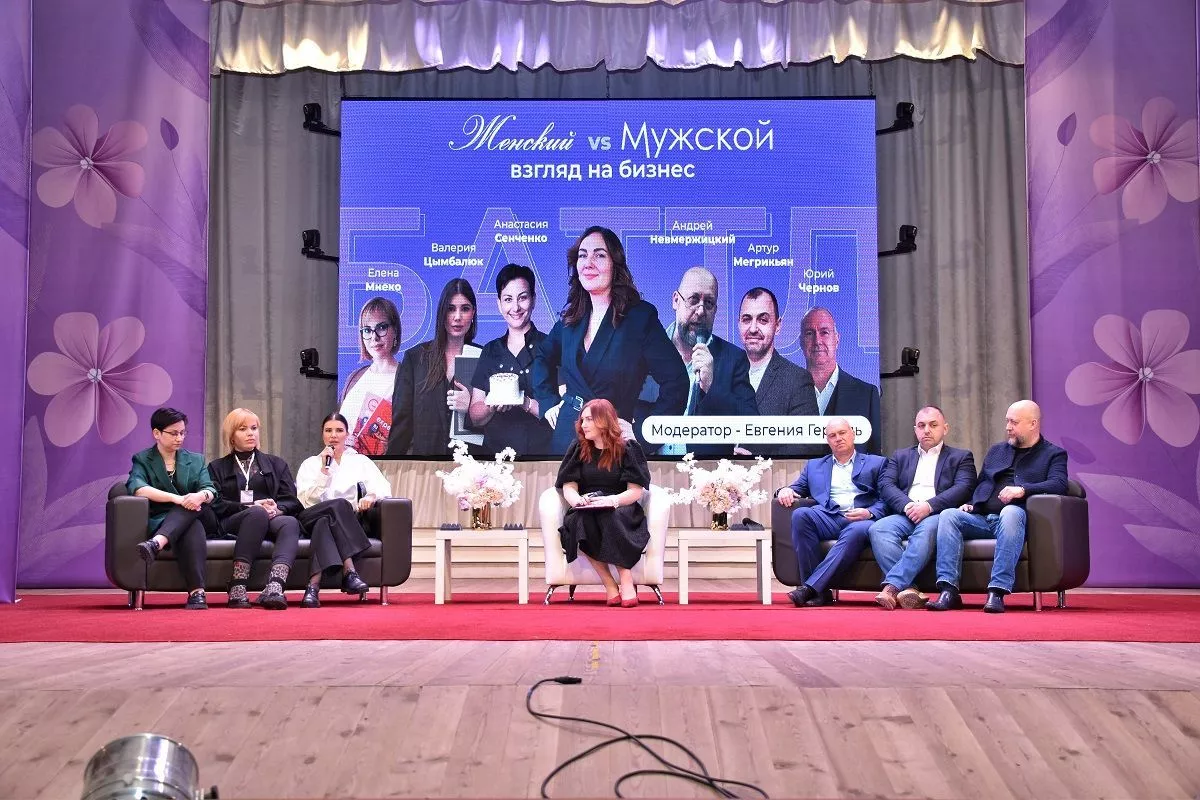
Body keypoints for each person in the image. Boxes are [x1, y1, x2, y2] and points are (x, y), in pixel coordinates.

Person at [532, 226, 687, 454]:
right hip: (566, 438)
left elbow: (677, 382)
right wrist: (548, 403)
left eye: (599, 255)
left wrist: (644, 433)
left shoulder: (640, 318)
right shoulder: (571, 318)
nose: (588, 263)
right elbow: (542, 357)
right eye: (582, 255)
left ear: (615, 264)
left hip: (612, 441)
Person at [930, 400, 1069, 613]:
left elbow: (1059, 484)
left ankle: (997, 591)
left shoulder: (1053, 454)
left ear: (1033, 424)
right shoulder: (997, 451)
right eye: (1007, 421)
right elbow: (981, 484)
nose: (1008, 427)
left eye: (1014, 422)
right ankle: (948, 591)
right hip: (984, 518)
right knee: (949, 515)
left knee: (1010, 511)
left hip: (1017, 520)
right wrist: (971, 505)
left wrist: (1022, 490)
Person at [868, 406, 977, 610]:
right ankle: (910, 590)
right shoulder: (901, 456)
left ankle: (892, 587)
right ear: (915, 430)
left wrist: (929, 506)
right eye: (921, 425)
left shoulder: (961, 457)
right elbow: (886, 485)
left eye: (933, 425)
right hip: (906, 512)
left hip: (938, 514)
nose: (927, 430)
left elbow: (964, 488)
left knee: (925, 530)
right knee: (878, 529)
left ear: (945, 428)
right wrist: (908, 505)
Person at [775, 417, 888, 607]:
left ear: (853, 434)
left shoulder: (877, 463)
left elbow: (887, 499)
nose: (838, 438)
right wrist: (784, 490)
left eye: (842, 433)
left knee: (856, 531)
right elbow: (796, 488)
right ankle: (819, 592)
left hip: (861, 520)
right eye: (832, 435)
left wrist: (869, 513)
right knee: (801, 515)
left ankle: (810, 589)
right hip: (829, 517)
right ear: (828, 440)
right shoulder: (814, 466)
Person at [554, 399, 653, 607]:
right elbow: (569, 486)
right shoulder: (578, 448)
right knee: (580, 521)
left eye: (589, 419)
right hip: (587, 506)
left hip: (621, 506)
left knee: (610, 516)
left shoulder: (628, 448)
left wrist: (612, 500)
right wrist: (578, 501)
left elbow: (635, 491)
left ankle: (625, 577)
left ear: (604, 420)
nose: (583, 425)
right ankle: (609, 584)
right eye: (582, 420)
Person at [654, 267, 758, 456]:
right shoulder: (645, 351)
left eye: (709, 303)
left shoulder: (733, 358)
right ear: (676, 300)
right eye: (693, 300)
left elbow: (752, 425)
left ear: (715, 310)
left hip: (705, 471)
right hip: (647, 469)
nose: (701, 311)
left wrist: (712, 386)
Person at [207, 408, 303, 609]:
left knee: (290, 522)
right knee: (257, 513)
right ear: (231, 436)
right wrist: (249, 506)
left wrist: (278, 509)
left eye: (254, 428)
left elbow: (292, 501)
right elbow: (216, 504)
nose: (251, 433)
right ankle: (238, 584)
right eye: (243, 429)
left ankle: (275, 586)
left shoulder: (276, 464)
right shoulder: (217, 467)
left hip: (270, 518)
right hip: (234, 521)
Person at [294, 413, 392, 607]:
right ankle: (350, 572)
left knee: (325, 522)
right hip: (310, 517)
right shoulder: (310, 464)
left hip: (346, 522)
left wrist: (371, 496)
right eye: (328, 430)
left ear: (347, 434)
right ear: (322, 434)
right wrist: (324, 472)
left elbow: (383, 487)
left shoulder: (360, 461)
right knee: (339, 505)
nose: (333, 435)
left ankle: (312, 588)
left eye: (339, 430)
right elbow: (307, 501)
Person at [126, 407, 218, 610]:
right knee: (191, 525)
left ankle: (157, 543)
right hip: (165, 520)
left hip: (203, 516)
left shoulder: (196, 459)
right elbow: (138, 488)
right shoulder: (142, 459)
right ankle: (197, 593)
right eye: (174, 433)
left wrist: (200, 496)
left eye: (183, 433)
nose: (180, 438)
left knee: (195, 508)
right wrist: (178, 499)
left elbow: (210, 489)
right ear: (156, 433)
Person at [386, 278, 482, 456]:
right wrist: (389, 466)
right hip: (425, 467)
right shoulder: (415, 359)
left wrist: (471, 409)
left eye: (465, 309)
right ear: (441, 312)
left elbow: (496, 432)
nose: (457, 317)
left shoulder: (484, 358)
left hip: (471, 467)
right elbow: (401, 425)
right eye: (451, 309)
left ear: (473, 313)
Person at [467, 264, 553, 456]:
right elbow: (475, 415)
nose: (515, 307)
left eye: (522, 298)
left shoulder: (552, 346)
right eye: (508, 299)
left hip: (543, 457)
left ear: (533, 300)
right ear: (499, 304)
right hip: (496, 459)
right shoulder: (490, 350)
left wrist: (523, 401)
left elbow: (563, 415)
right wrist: (492, 404)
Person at [735, 287, 818, 457]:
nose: (753, 328)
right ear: (739, 323)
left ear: (777, 325)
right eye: (746, 319)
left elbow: (808, 446)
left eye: (763, 320)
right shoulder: (721, 374)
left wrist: (758, 462)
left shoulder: (797, 380)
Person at [801, 307, 882, 453]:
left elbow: (875, 456)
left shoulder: (866, 395)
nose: (817, 341)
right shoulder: (783, 394)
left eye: (824, 332)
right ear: (801, 341)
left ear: (837, 339)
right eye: (809, 333)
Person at [339, 297, 401, 456]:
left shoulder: (407, 379)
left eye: (381, 327)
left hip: (385, 467)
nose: (374, 337)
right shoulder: (354, 378)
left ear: (395, 331)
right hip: (346, 465)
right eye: (367, 330)